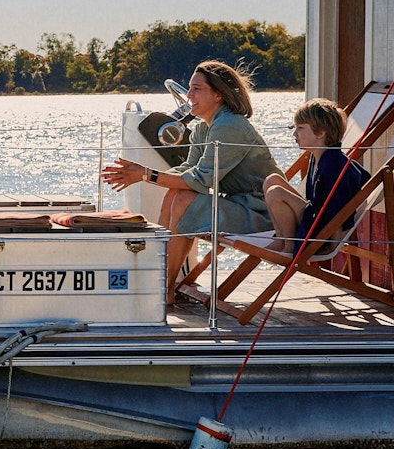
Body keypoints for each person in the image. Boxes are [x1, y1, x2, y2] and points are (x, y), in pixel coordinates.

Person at [102, 60, 282, 305]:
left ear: (218, 94)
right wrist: (142, 174)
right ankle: (162, 282)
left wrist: (145, 175)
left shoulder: (230, 126)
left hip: (262, 213)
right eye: (189, 88)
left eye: (197, 89)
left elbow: (200, 179)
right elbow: (188, 170)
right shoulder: (203, 129)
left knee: (185, 198)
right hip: (239, 205)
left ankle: (165, 288)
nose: (188, 95)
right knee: (175, 194)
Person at [262, 98, 371, 256]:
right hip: (314, 216)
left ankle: (290, 246)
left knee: (275, 192)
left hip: (320, 230)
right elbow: (363, 176)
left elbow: (339, 208)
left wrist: (331, 240)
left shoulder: (333, 164)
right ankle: (281, 239)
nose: (295, 134)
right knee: (272, 180)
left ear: (320, 133)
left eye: (300, 128)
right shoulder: (319, 156)